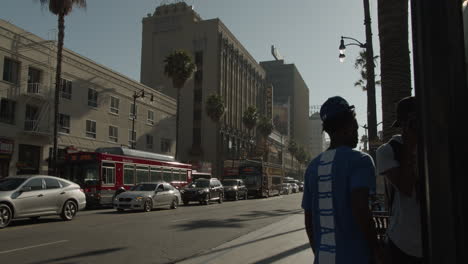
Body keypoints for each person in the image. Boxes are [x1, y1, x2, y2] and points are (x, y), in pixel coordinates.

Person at [302, 96, 384, 264]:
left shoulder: (312, 167)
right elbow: (361, 209)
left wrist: (319, 253)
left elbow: (309, 221)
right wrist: (376, 251)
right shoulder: (360, 161)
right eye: (355, 124)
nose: (357, 129)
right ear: (347, 127)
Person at [376, 96, 423, 263]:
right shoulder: (389, 151)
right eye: (409, 123)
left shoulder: (438, 145)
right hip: (403, 243)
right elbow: (406, 187)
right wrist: (410, 147)